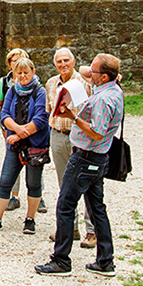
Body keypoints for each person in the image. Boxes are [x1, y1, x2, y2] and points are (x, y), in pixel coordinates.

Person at [35, 53, 126, 278]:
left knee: (65, 205)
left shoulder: (104, 100)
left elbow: (97, 132)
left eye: (95, 73)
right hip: (98, 158)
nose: (89, 74)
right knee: (97, 208)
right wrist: (100, 70)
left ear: (104, 76)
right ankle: (106, 260)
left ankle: (61, 260)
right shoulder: (112, 89)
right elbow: (86, 70)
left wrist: (72, 117)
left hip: (86, 157)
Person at [0, 56, 49, 236]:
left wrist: (19, 134)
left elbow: (41, 118)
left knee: (33, 183)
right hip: (15, 144)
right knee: (5, 180)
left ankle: (30, 219)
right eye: (18, 73)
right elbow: (4, 114)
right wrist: (17, 131)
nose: (22, 76)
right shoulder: (12, 91)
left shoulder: (40, 91)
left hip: (35, 144)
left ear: (33, 72)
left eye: (25, 72)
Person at [45, 48, 89, 243]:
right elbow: (49, 109)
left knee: (86, 183)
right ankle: (70, 228)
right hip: (58, 134)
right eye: (59, 61)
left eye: (66, 61)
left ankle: (91, 229)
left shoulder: (85, 84)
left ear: (74, 61)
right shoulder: (51, 84)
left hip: (78, 136)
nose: (63, 65)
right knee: (63, 184)